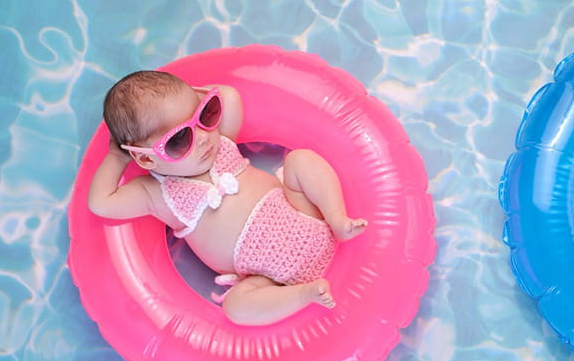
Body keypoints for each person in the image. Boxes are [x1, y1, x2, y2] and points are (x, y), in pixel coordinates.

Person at [87, 70, 367, 327]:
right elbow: (101, 202)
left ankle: (337, 218)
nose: (202, 139)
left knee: (301, 160)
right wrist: (116, 156)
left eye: (204, 117)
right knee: (236, 307)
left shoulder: (222, 143)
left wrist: (192, 100)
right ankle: (303, 294)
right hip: (270, 279)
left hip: (304, 213)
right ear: (145, 158)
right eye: (178, 140)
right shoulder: (156, 194)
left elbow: (229, 96)